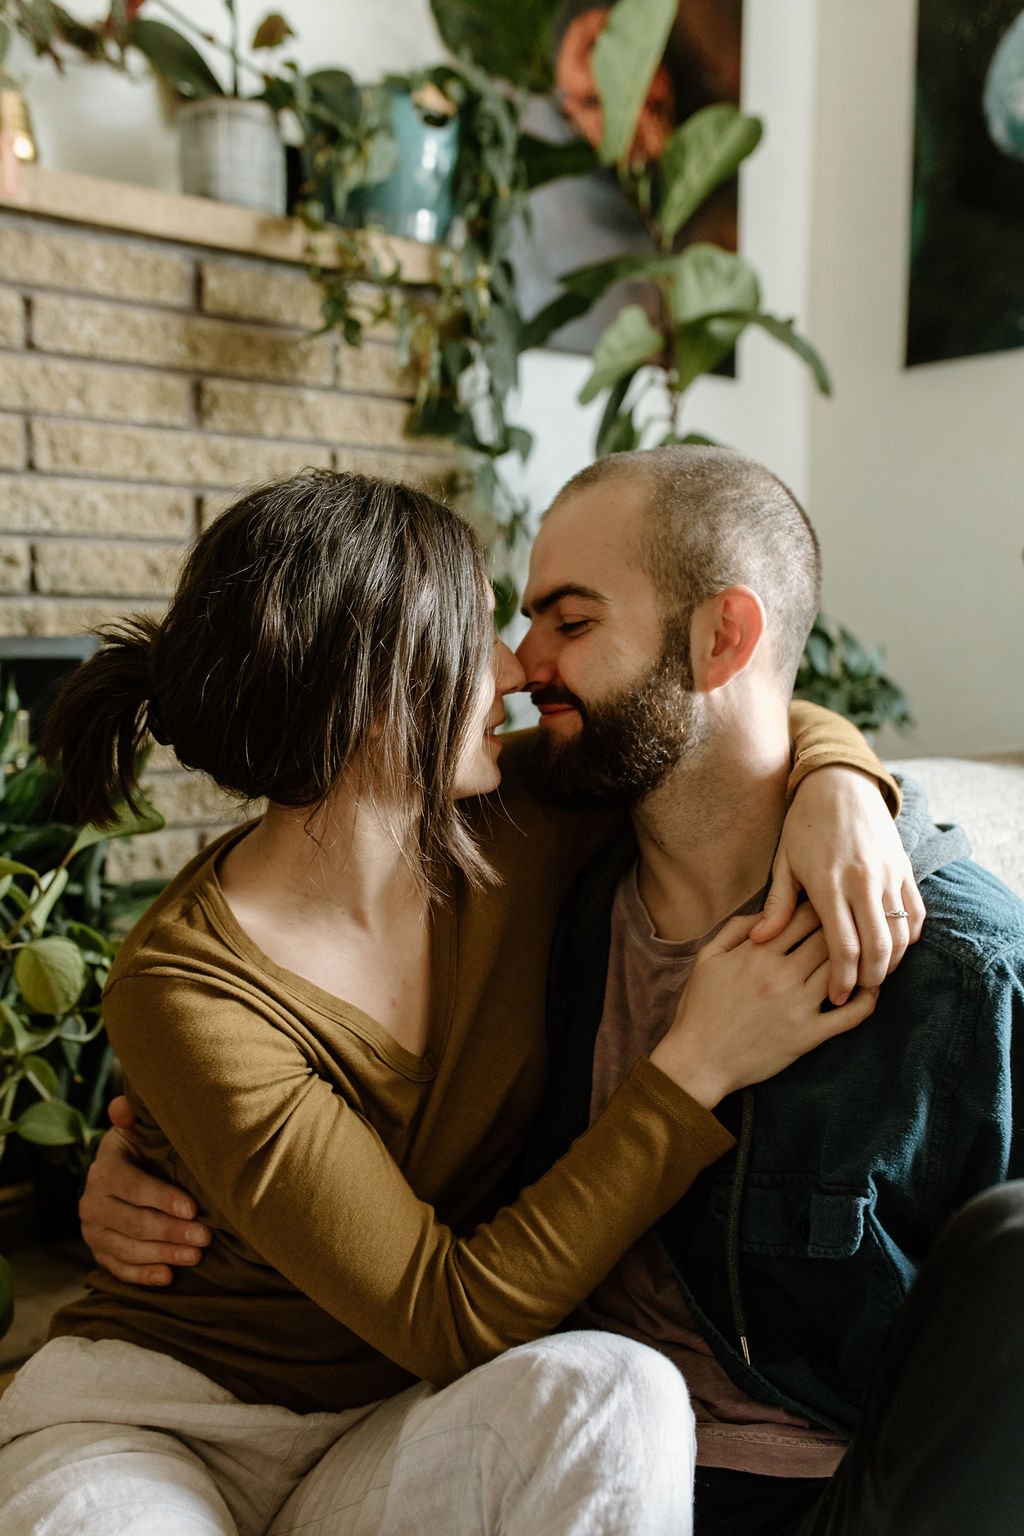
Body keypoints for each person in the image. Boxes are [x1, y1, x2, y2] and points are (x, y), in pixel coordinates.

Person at [0, 466, 912, 1536]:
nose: (516, 673)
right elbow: (446, 1314)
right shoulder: (186, 988)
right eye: (474, 635)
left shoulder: (515, 815)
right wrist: (694, 1068)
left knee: (617, 1397)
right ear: (372, 687)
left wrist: (842, 787)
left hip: (394, 1426)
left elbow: (720, 720)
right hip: (166, 1425)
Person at [512, 447, 1024, 1533]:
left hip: (818, 1496)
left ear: (720, 639)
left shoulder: (960, 975)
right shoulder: (541, 883)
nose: (521, 665)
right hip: (552, 1435)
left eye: (569, 621)